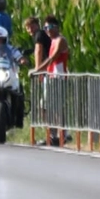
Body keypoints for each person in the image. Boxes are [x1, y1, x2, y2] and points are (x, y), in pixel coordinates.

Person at [36, 16, 71, 146]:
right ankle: (52, 134)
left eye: (50, 27)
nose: (48, 30)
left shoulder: (60, 40)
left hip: (59, 77)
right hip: (51, 77)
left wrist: (37, 70)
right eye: (45, 28)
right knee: (44, 107)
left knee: (57, 108)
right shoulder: (52, 41)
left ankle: (62, 135)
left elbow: (52, 58)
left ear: (57, 27)